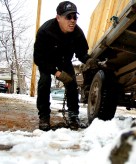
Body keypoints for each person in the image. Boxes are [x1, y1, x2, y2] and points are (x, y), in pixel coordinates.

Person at [33, 1, 97, 131]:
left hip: (64, 61)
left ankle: (73, 115)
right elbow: (38, 58)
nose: (72, 20)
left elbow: (81, 53)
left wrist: (89, 61)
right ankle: (44, 117)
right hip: (47, 61)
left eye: (75, 17)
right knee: (44, 81)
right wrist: (57, 73)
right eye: (68, 17)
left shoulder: (77, 33)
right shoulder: (45, 31)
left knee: (72, 83)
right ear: (58, 18)